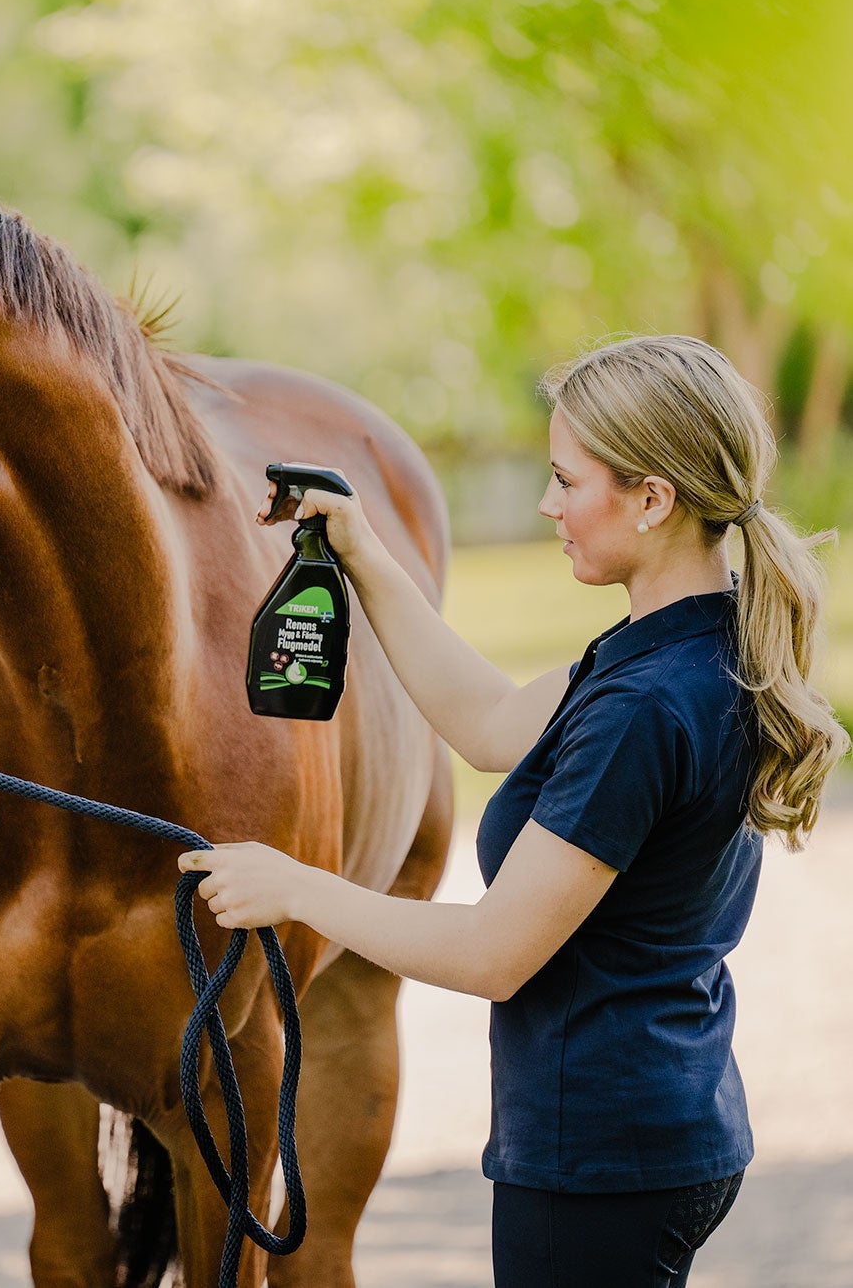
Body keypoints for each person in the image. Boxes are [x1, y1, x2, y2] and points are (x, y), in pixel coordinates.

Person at [180, 333, 849, 1287]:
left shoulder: (644, 708)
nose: (548, 505)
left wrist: (294, 887)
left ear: (653, 499)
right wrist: (363, 551)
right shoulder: (689, 639)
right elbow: (491, 722)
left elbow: (495, 954)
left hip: (601, 1160)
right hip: (664, 1125)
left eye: (568, 481)